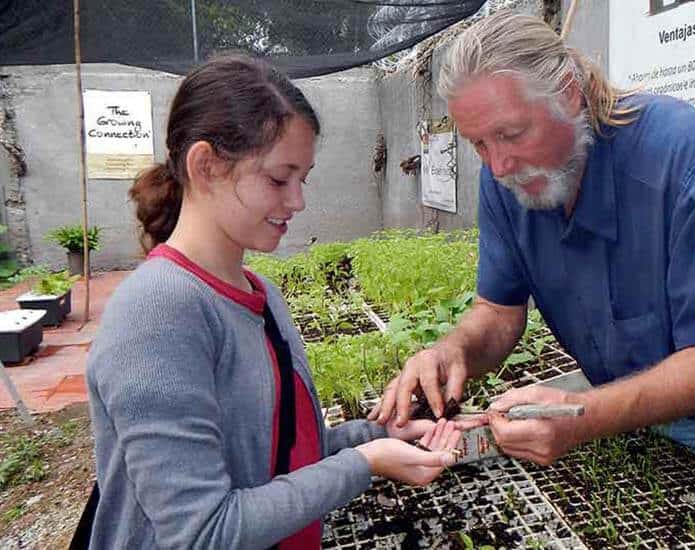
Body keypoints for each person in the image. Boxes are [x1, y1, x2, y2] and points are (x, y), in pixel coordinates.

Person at [371, 12, 695, 512]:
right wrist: (454, 352)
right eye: (479, 144)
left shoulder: (681, 153)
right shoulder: (502, 181)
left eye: (512, 133)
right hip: (618, 404)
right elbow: (497, 313)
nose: (498, 166)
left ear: (569, 94)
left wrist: (588, 416)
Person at [85, 54, 461, 549]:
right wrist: (364, 464)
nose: (298, 201)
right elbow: (203, 532)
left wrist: (379, 437)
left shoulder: (260, 294)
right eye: (279, 178)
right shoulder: (158, 314)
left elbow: (275, 456)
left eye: (302, 178)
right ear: (205, 166)